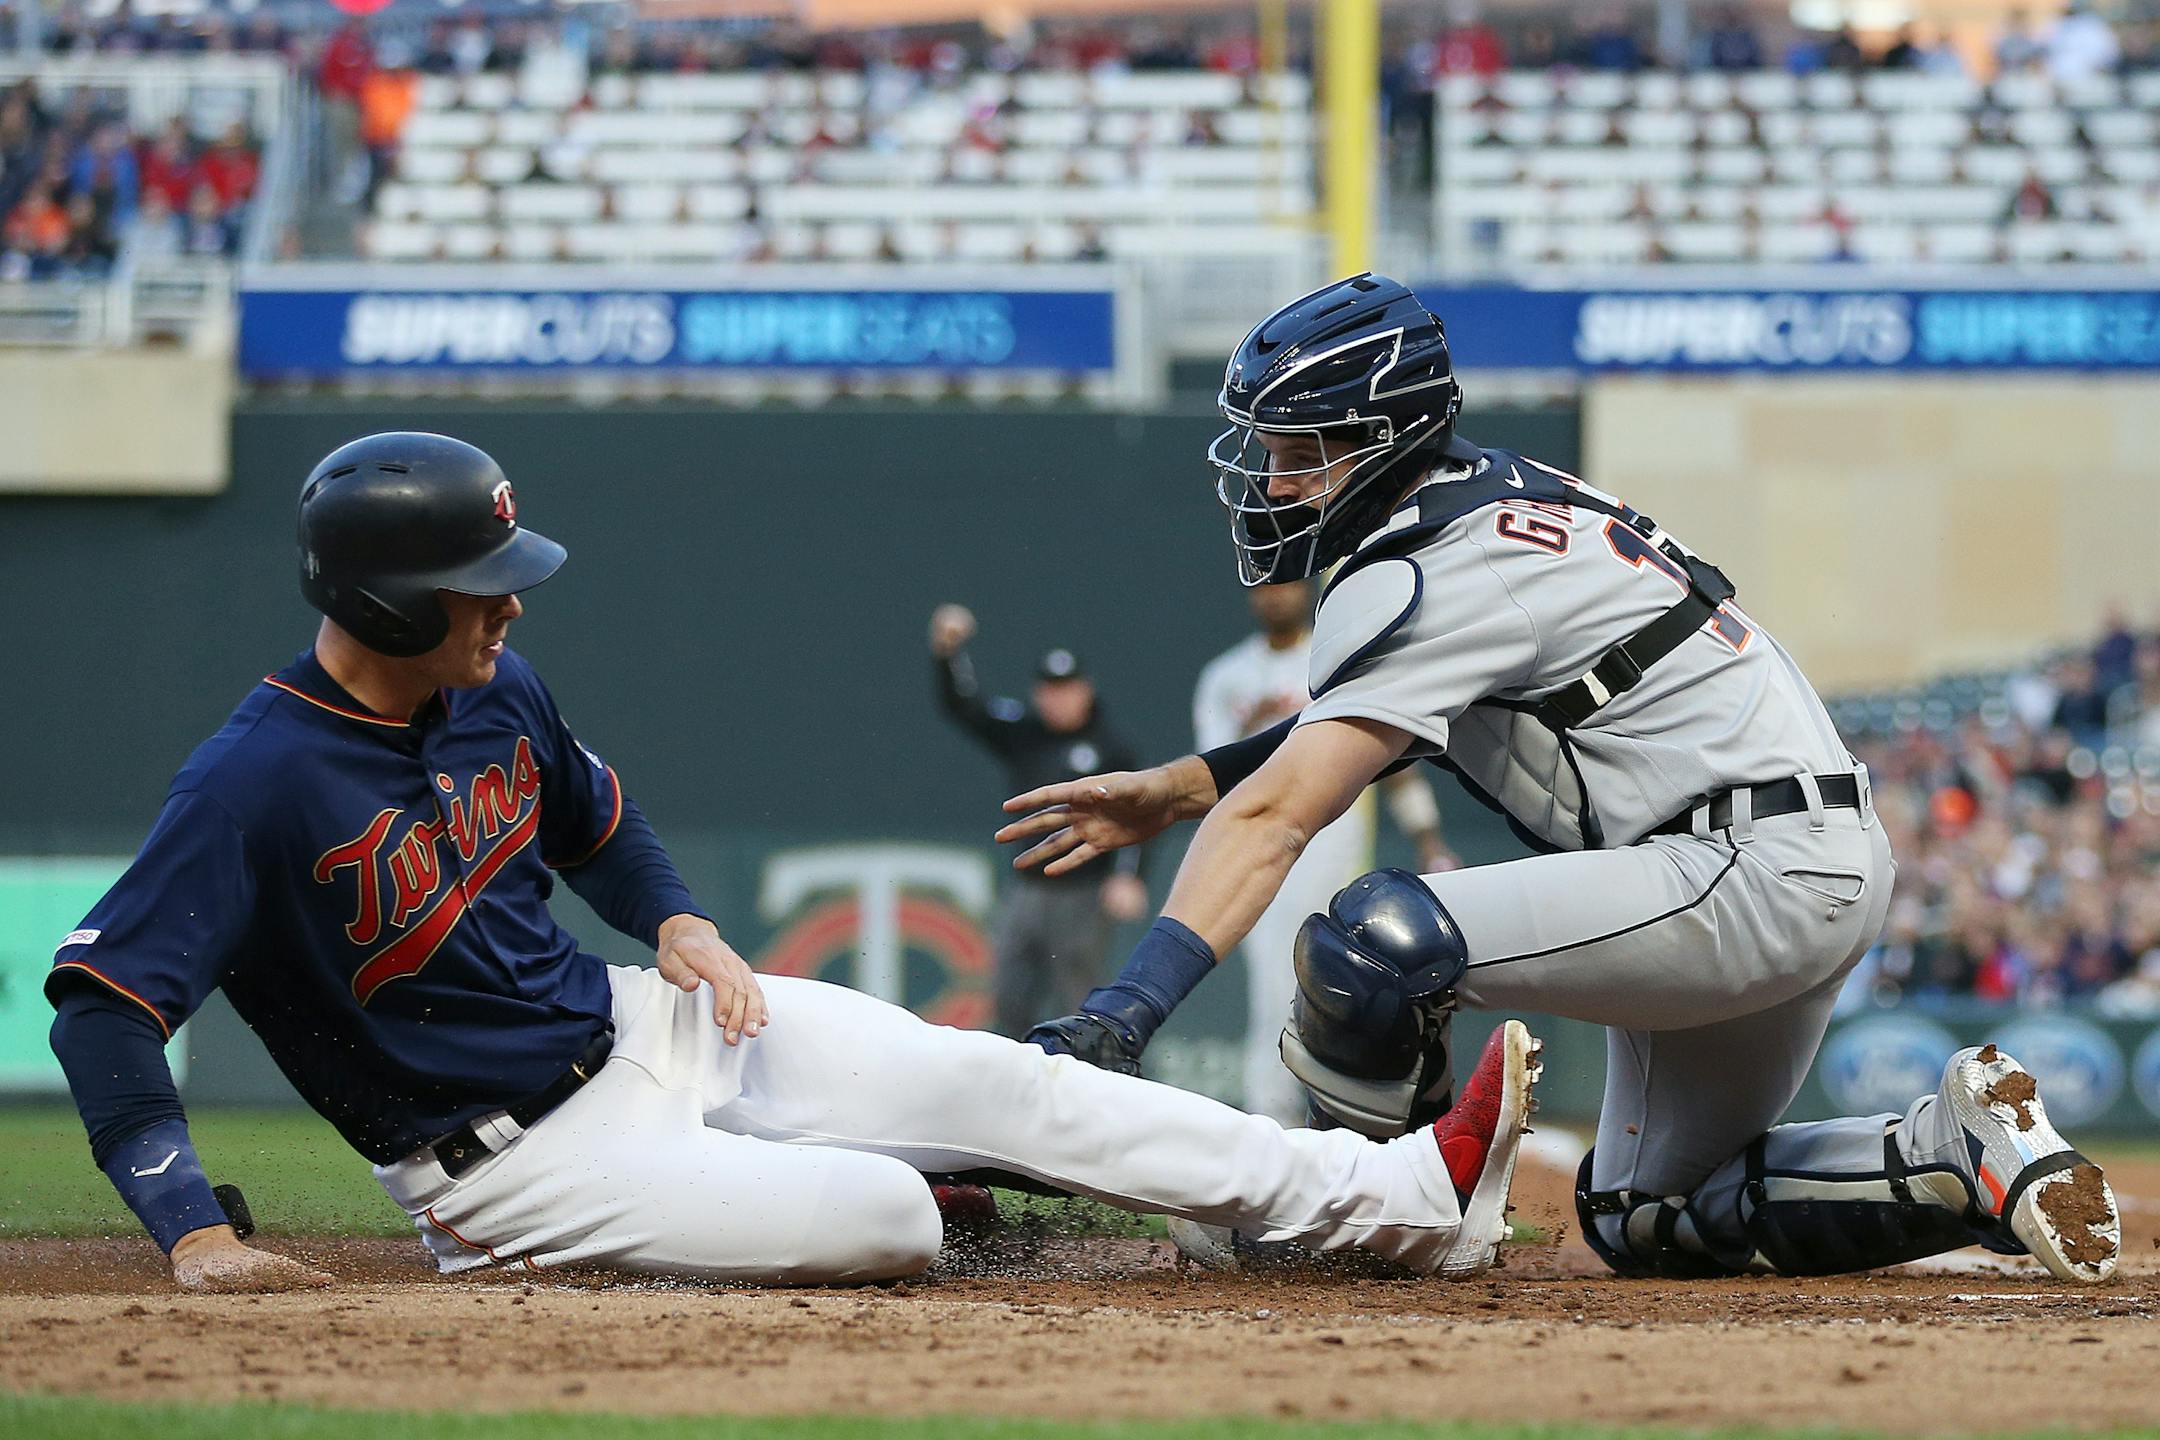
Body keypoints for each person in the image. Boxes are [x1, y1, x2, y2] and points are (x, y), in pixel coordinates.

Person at [43, 431, 1537, 1293]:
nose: (507, 612)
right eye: (475, 590)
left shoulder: (493, 689)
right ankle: (897, 1184)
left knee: (1000, 1076)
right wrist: (187, 1231)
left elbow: (597, 826)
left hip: (642, 1021)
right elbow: (107, 998)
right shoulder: (255, 782)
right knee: (889, 1215)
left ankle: (1400, 1192)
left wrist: (678, 924)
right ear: (378, 601)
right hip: (513, 1169)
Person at [998, 274, 2120, 1284]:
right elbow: (1364, 727)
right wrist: (1178, 785)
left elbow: (1285, 808)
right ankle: (1950, 1155)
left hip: (1734, 868)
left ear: (1383, 437)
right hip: (1799, 857)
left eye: (1305, 450)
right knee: (1647, 1215)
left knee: (1372, 945)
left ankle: (1376, 1220)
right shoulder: (1499, 502)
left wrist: (1119, 1017)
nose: (1276, 479)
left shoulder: (1422, 570)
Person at [1193, 578, 1454, 1123]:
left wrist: (1428, 839)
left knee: (1344, 997)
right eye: (1265, 587)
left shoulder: (1339, 664)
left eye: (1285, 586)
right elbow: (1208, 774)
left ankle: (1348, 1125)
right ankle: (1273, 1126)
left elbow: (1396, 766)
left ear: (1307, 591)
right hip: (1260, 858)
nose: (1275, 596)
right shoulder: (1225, 676)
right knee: (1273, 998)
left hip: (1335, 859)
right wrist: (1253, 724)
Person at [930, 606, 1149, 1037]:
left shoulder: (1110, 749)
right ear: (1037, 694)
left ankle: (1085, 1088)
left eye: (1067, 688)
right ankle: (1013, 1090)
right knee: (1009, 992)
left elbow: (1141, 817)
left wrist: (1130, 876)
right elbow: (966, 707)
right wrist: (947, 654)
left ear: (1085, 691)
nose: (1058, 698)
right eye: (1049, 689)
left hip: (1083, 892)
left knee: (1078, 1001)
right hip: (1028, 888)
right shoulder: (1025, 735)